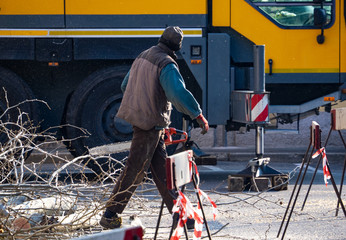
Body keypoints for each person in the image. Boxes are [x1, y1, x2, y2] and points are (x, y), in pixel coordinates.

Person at [100, 26, 209, 229]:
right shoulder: (166, 63)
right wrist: (197, 114)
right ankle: (110, 214)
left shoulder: (144, 55)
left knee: (163, 172)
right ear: (178, 47)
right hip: (148, 124)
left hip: (146, 122)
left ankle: (180, 215)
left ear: (160, 39)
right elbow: (177, 93)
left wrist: (145, 103)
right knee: (134, 169)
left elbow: (126, 86)